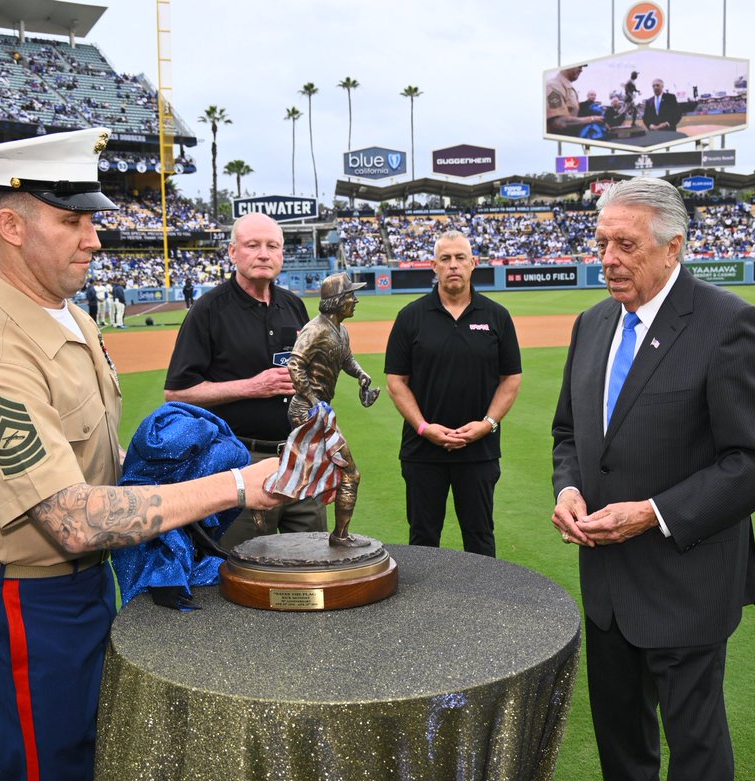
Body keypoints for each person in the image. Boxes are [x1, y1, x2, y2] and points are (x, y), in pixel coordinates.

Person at [0, 127, 282, 781]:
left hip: (86, 587)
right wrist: (236, 484)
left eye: (90, 220)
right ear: (10, 224)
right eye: (71, 221)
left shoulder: (71, 319)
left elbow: (99, 460)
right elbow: (71, 519)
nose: (94, 239)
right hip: (28, 599)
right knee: (54, 779)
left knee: (102, 760)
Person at [550, 177, 755, 781]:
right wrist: (568, 489)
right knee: (622, 749)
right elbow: (569, 432)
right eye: (602, 243)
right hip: (605, 586)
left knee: (696, 750)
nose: (607, 259)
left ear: (672, 247)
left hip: (687, 583)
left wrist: (654, 513)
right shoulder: (592, 323)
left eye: (625, 245)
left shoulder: (730, 324)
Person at [165, 211, 324, 549]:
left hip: (298, 458)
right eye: (252, 245)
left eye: (272, 246)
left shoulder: (294, 306)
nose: (263, 254)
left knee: (314, 556)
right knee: (244, 563)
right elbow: (177, 392)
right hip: (239, 459)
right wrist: (253, 386)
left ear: (282, 254)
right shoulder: (208, 310)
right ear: (233, 252)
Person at [384, 231, 522, 558]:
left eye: (460, 258)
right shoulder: (411, 317)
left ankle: (487, 606)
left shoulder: (496, 316)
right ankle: (424, 607)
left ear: (474, 263)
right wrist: (423, 427)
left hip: (479, 451)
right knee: (423, 538)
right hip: (422, 450)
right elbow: (396, 381)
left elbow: (511, 379)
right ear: (434, 266)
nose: (453, 265)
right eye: (445, 259)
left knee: (480, 537)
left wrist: (487, 424)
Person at [285, 272, 379, 545]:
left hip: (318, 411)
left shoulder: (340, 329)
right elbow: (295, 364)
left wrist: (360, 374)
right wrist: (313, 401)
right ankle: (340, 536)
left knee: (307, 473)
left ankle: (339, 534)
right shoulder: (316, 329)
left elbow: (346, 358)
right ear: (338, 301)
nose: (356, 300)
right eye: (351, 295)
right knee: (348, 473)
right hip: (306, 412)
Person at [545, 64, 604, 136]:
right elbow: (559, 122)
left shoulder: (568, 88)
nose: (581, 70)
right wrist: (592, 119)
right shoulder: (553, 86)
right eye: (579, 66)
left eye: (582, 67)